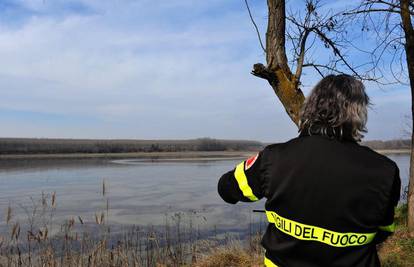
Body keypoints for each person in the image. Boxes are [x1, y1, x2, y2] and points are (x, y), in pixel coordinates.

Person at [217, 74, 401, 267]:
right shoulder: (385, 170)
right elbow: (384, 230)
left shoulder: (274, 158)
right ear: (359, 112)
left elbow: (226, 189)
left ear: (311, 106)